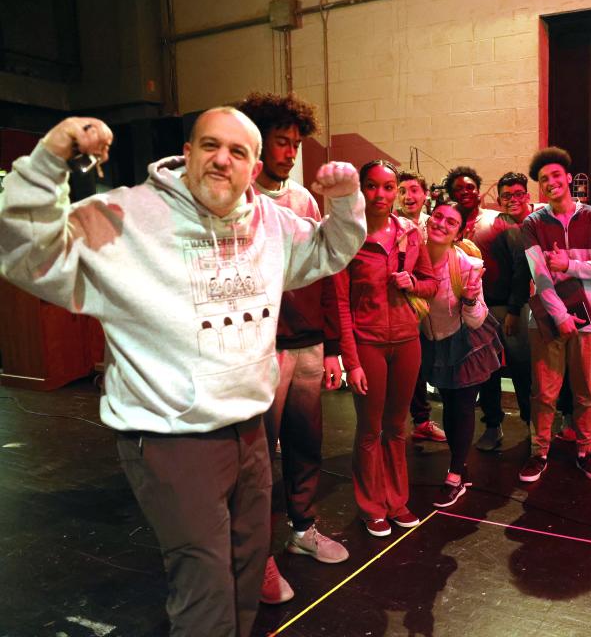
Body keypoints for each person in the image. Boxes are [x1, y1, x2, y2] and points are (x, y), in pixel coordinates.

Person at [0, 108, 365, 636]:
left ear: (254, 165)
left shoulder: (268, 220)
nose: (223, 160)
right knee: (204, 585)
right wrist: (52, 156)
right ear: (187, 153)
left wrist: (345, 201)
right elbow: (25, 254)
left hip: (250, 430)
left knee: (246, 569)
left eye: (238, 152)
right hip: (171, 436)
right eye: (210, 146)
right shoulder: (126, 216)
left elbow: (328, 249)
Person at [237, 92, 349, 606]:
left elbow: (327, 274)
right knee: (258, 459)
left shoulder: (303, 199)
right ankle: (256, 556)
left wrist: (331, 347)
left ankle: (302, 529)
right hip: (261, 349)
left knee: (306, 442)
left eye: (295, 143)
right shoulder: (235, 201)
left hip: (308, 343)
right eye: (281, 142)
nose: (290, 152)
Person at [335, 160, 437, 536]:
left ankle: (397, 501)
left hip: (407, 342)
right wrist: (352, 362)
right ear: (361, 189)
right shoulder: (348, 237)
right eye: (373, 186)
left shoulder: (410, 234)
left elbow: (431, 284)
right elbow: (341, 305)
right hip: (368, 344)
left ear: (398, 191)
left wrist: (412, 282)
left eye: (389, 187)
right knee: (370, 429)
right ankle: (371, 505)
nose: (381, 195)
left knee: (397, 427)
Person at [519, 147, 591, 482]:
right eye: (544, 179)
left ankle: (585, 451)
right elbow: (539, 274)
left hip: (590, 321)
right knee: (544, 392)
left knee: (587, 391)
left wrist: (569, 264)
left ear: (568, 178)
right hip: (547, 321)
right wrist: (560, 315)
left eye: (556, 175)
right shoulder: (532, 223)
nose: (551, 182)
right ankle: (539, 451)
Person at [420, 200, 501, 506]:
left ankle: (455, 474)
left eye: (450, 222)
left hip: (467, 341)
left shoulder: (467, 266)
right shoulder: (415, 258)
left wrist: (468, 299)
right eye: (437, 216)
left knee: (462, 406)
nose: (441, 224)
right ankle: (461, 464)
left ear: (459, 231)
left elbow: (477, 318)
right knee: (448, 402)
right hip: (433, 341)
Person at [472, 172, 534, 451]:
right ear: (499, 199)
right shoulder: (496, 224)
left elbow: (522, 270)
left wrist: (513, 310)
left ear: (527, 195)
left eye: (518, 194)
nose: (512, 200)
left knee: (523, 369)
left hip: (516, 309)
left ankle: (532, 425)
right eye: (507, 195)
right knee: (489, 371)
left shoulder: (534, 222)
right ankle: (493, 425)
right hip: (491, 308)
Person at [397, 169, 447, 444]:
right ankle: (420, 421)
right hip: (410, 306)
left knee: (435, 364)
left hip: (440, 305)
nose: (408, 196)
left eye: (414, 190)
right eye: (402, 191)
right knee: (411, 369)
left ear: (426, 194)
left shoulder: (436, 224)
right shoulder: (391, 226)